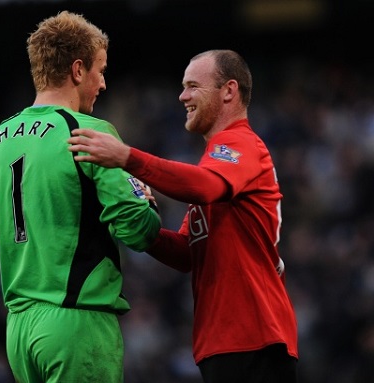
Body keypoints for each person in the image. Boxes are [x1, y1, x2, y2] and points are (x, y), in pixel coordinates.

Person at [67, 49, 299, 383]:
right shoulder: (217, 164)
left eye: (192, 86)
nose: (182, 96)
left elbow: (203, 187)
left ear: (229, 91)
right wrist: (133, 221)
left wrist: (128, 157)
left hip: (254, 335)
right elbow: (187, 253)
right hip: (223, 340)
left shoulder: (243, 145)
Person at [0, 11, 161, 383]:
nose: (103, 83)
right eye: (100, 71)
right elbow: (139, 230)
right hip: (77, 323)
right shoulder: (89, 132)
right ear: (77, 70)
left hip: (20, 331)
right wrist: (148, 202)